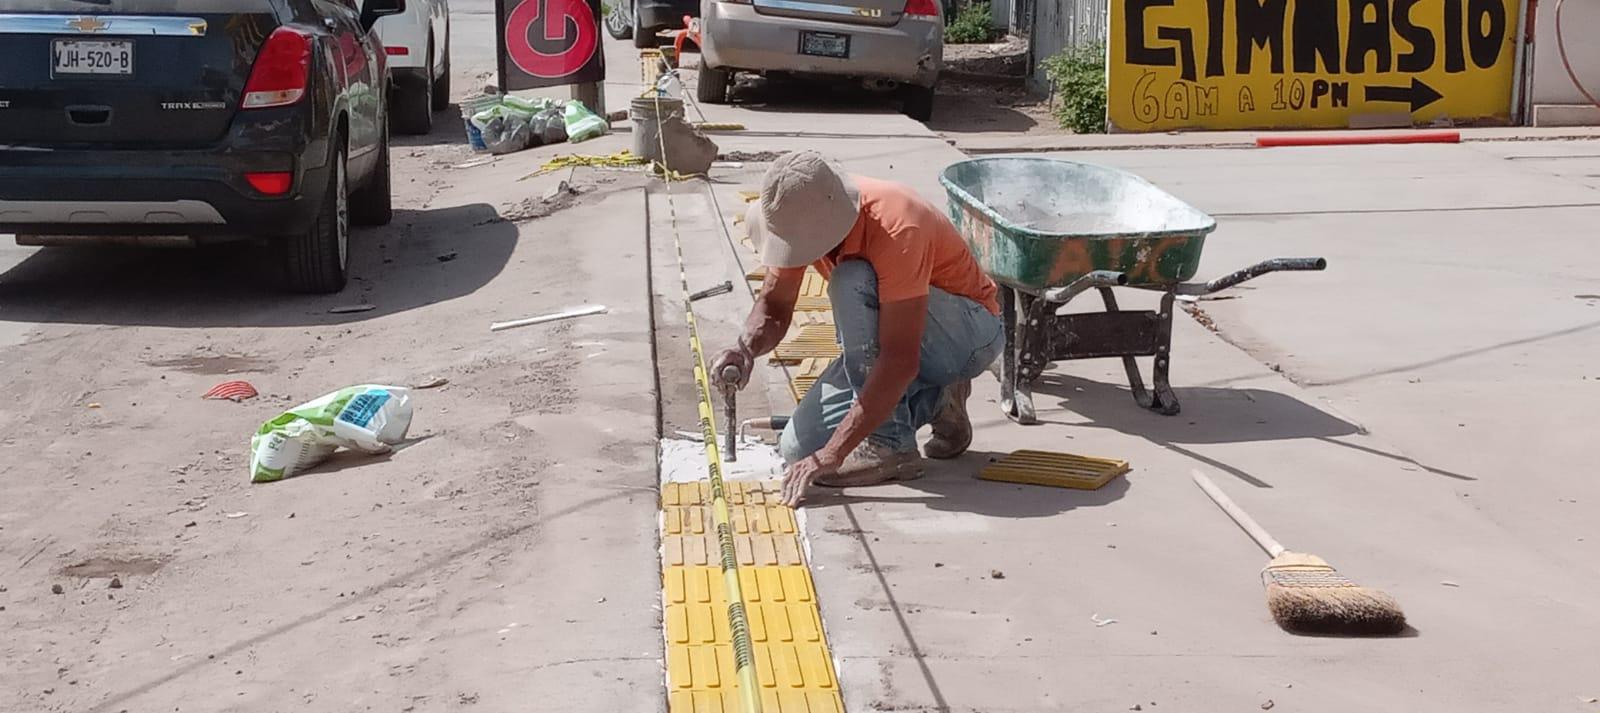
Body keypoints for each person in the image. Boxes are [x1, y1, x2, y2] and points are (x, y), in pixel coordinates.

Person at [712, 151, 1004, 507]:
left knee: (850, 279)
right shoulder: (800, 211)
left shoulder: (897, 225)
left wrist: (832, 454)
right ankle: (939, 401)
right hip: (899, 339)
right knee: (797, 448)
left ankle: (889, 446)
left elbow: (899, 360)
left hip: (969, 334)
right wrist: (744, 350)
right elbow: (774, 307)